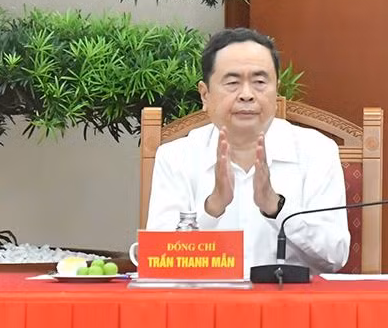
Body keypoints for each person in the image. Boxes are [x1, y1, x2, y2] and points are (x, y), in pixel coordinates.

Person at [146, 27, 349, 272]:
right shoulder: (176, 157)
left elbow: (335, 256)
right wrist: (213, 208)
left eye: (260, 82)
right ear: (205, 95)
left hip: (289, 305)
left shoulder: (317, 152)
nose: (246, 95)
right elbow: (160, 262)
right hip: (206, 305)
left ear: (277, 91)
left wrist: (277, 208)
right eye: (232, 83)